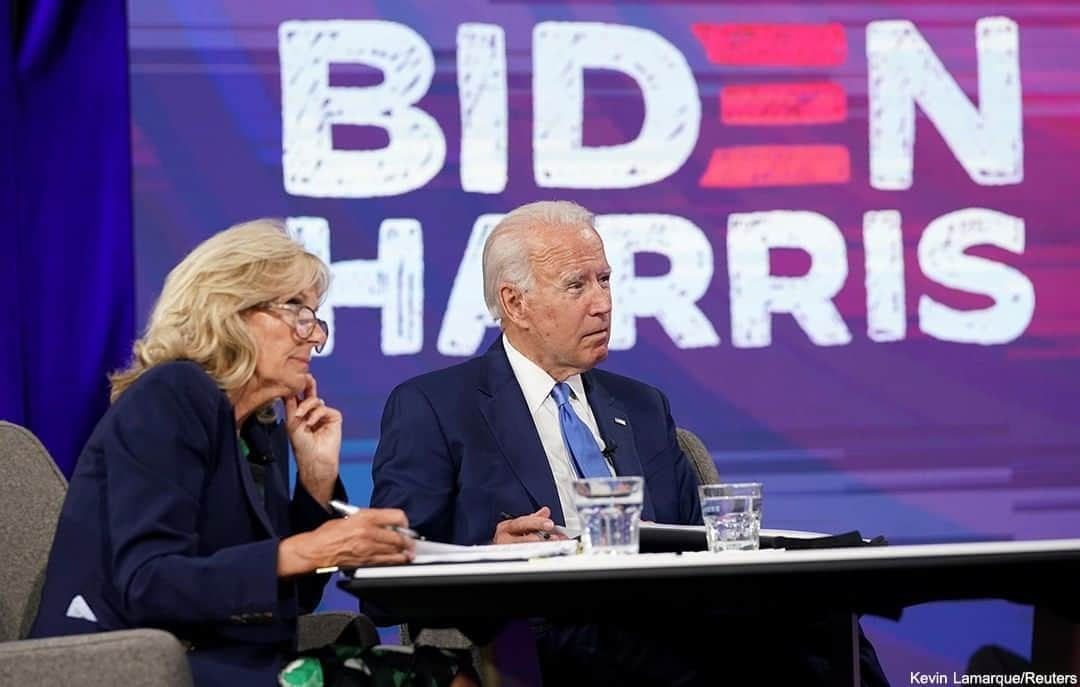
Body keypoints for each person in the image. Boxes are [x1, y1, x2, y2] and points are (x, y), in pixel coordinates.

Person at [371, 201, 891, 686]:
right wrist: (488, 558)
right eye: (576, 286)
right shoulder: (435, 407)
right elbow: (385, 580)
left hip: (673, 614)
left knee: (823, 618)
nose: (602, 303)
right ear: (516, 303)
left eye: (605, 280)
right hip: (548, 630)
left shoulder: (642, 407)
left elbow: (696, 541)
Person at [29, 220, 472, 687]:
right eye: (296, 311)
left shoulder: (257, 430)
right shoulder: (171, 396)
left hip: (229, 659)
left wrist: (317, 480)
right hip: (129, 665)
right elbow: (148, 585)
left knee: (445, 671)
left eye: (316, 316)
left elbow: (291, 598)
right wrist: (308, 548)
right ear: (228, 311)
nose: (315, 336)